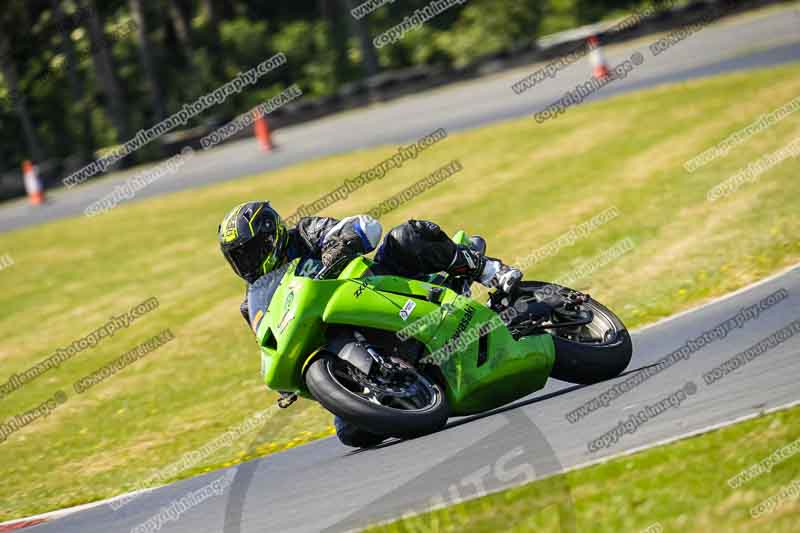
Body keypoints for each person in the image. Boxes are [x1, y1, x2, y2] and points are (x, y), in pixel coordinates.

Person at [218, 201, 522, 446]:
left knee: (408, 236)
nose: (246, 262)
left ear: (272, 237)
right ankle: (406, 384)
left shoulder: (305, 233)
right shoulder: (252, 302)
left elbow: (364, 225)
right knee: (352, 432)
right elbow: (269, 340)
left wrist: (339, 245)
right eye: (237, 258)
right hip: (333, 336)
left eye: (250, 251)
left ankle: (488, 270)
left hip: (376, 287)